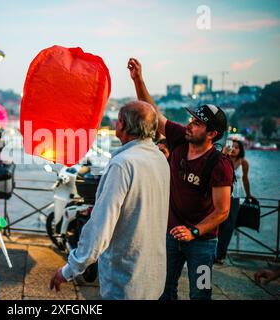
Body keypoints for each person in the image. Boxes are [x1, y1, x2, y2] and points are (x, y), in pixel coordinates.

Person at [128, 58, 233, 300]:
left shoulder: (219, 165)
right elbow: (153, 114)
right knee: (163, 291)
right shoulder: (179, 137)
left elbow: (222, 211)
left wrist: (194, 231)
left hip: (203, 243)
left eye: (197, 124)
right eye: (192, 120)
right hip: (170, 236)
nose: (190, 125)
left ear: (212, 134)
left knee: (200, 294)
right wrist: (138, 80)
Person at [50, 101, 170, 299]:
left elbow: (101, 226)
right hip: (154, 277)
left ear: (122, 124)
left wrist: (69, 269)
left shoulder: (122, 164)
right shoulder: (160, 159)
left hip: (126, 279)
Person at [216, 139, 253, 264]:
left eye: (237, 147)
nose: (234, 149)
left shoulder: (244, 163)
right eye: (232, 147)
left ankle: (221, 255)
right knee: (218, 224)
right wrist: (223, 154)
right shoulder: (223, 159)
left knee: (229, 226)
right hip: (222, 195)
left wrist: (249, 195)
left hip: (235, 197)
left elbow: (245, 180)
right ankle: (212, 252)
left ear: (241, 150)